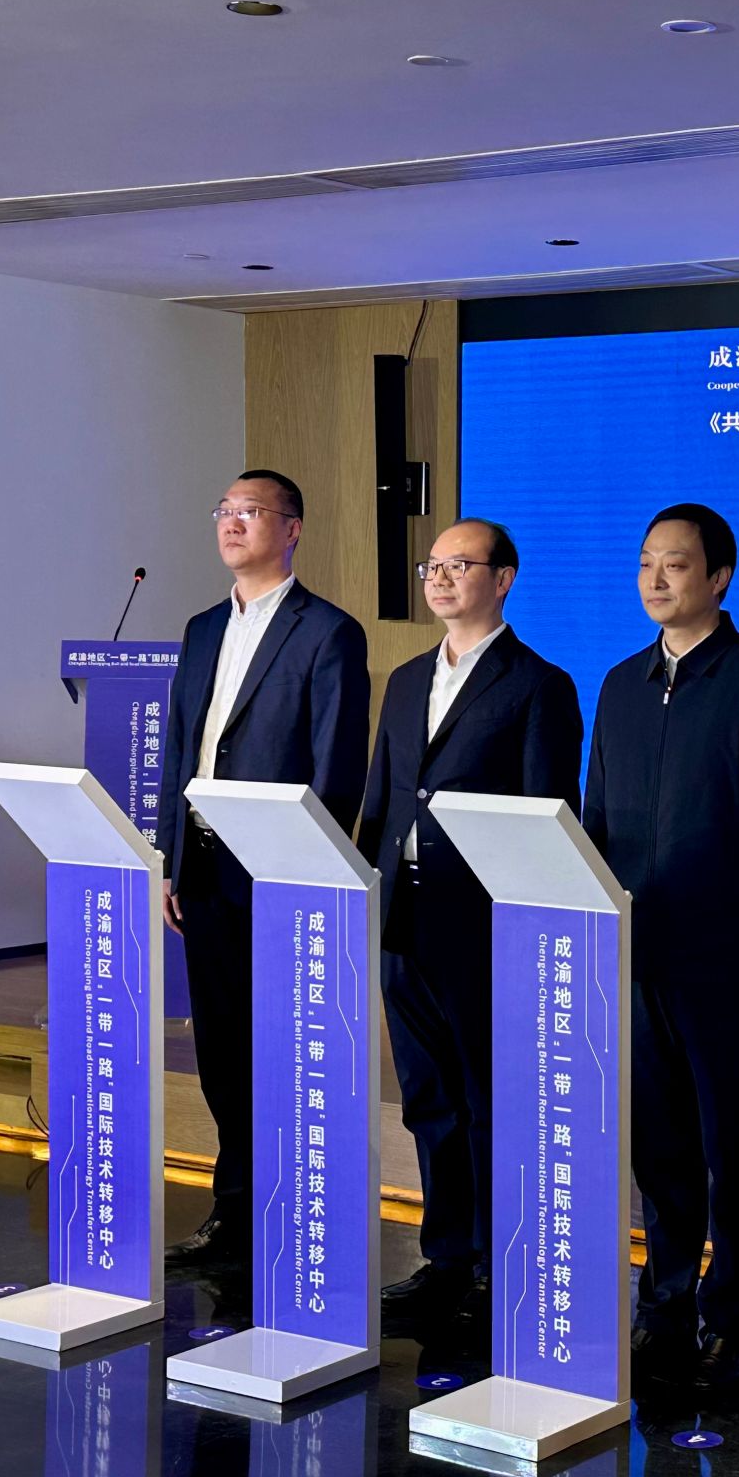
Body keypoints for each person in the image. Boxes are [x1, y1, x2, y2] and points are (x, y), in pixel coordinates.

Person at [583, 503, 739, 1391]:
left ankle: (730, 1319)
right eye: (646, 562)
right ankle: (664, 1309)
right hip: (640, 958)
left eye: (676, 564)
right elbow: (597, 823)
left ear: (719, 578)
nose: (655, 579)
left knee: (733, 1151)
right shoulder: (620, 685)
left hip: (729, 967)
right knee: (659, 1152)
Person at [358, 518, 584, 1329]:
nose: (441, 578)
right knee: (428, 1098)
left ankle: (500, 1262)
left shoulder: (538, 685)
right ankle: (447, 1257)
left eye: (461, 565)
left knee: (491, 1098)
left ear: (504, 578)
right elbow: (382, 800)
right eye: (433, 566)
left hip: (485, 926)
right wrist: (364, 895)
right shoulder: (405, 679)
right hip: (403, 919)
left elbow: (548, 814)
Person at [159, 468, 369, 1266]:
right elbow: (181, 749)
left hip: (279, 873)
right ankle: (236, 1210)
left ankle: (296, 1207)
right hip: (204, 868)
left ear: (292, 529)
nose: (232, 523)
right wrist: (169, 858)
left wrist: (309, 868)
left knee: (283, 1047)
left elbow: (337, 765)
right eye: (225, 510)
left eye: (251, 511)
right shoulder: (202, 628)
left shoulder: (327, 631)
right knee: (221, 1047)